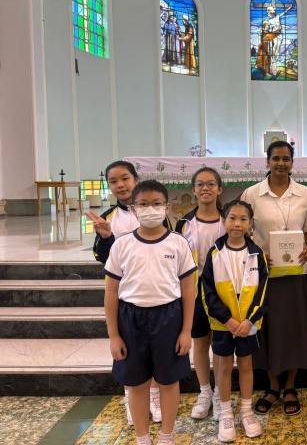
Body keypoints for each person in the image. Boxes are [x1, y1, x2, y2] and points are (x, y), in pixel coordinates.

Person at [104, 180, 197, 445]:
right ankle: (142, 438)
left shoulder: (178, 243)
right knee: (136, 384)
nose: (150, 209)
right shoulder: (121, 245)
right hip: (131, 319)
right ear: (134, 209)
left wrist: (186, 331)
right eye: (143, 204)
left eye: (157, 204)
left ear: (167, 208)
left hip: (169, 318)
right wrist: (114, 335)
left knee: (169, 382)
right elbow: (111, 292)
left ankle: (167, 436)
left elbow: (188, 289)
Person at [86, 160, 171, 426]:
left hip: (155, 292)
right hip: (126, 297)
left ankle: (154, 396)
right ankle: (131, 396)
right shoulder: (109, 216)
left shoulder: (154, 210)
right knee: (129, 353)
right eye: (113, 181)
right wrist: (106, 237)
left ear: (136, 180)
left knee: (154, 350)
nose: (120, 185)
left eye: (125, 178)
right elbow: (104, 258)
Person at [240, 140, 307, 416]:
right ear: (268, 161)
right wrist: (258, 254)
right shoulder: (252, 193)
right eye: (276, 158)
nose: (281, 163)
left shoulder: (306, 193)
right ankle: (272, 386)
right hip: (266, 272)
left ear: (292, 163)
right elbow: (244, 231)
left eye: (286, 159)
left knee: (295, 328)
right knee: (269, 328)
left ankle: (290, 386)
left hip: (298, 272)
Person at [201, 200, 268, 442]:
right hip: (223, 323)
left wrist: (250, 321)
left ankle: (247, 411)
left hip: (248, 324)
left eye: (243, 219)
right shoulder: (214, 253)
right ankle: (226, 412)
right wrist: (227, 319)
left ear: (250, 223)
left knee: (246, 365)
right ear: (223, 221)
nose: (237, 224)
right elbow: (208, 292)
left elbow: (263, 292)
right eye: (232, 218)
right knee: (224, 366)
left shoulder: (257, 254)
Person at [174, 167, 225, 421]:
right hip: (194, 290)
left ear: (219, 189)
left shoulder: (229, 220)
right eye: (201, 184)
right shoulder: (184, 224)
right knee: (201, 342)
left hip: (223, 290)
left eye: (211, 184)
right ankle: (205, 391)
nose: (206, 188)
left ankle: (220, 393)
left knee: (220, 343)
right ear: (193, 190)